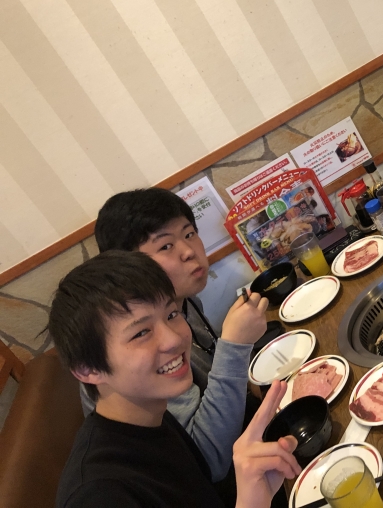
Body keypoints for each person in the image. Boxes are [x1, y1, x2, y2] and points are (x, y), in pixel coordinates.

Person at [49, 251, 301, 507]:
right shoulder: (98, 495)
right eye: (141, 333)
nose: (174, 339)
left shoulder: (153, 416)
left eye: (171, 315)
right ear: (87, 369)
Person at [81, 187, 269, 483]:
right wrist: (235, 345)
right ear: (127, 264)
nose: (189, 251)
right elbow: (209, 460)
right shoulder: (137, 354)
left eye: (189, 233)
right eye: (166, 246)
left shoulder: (179, 301)